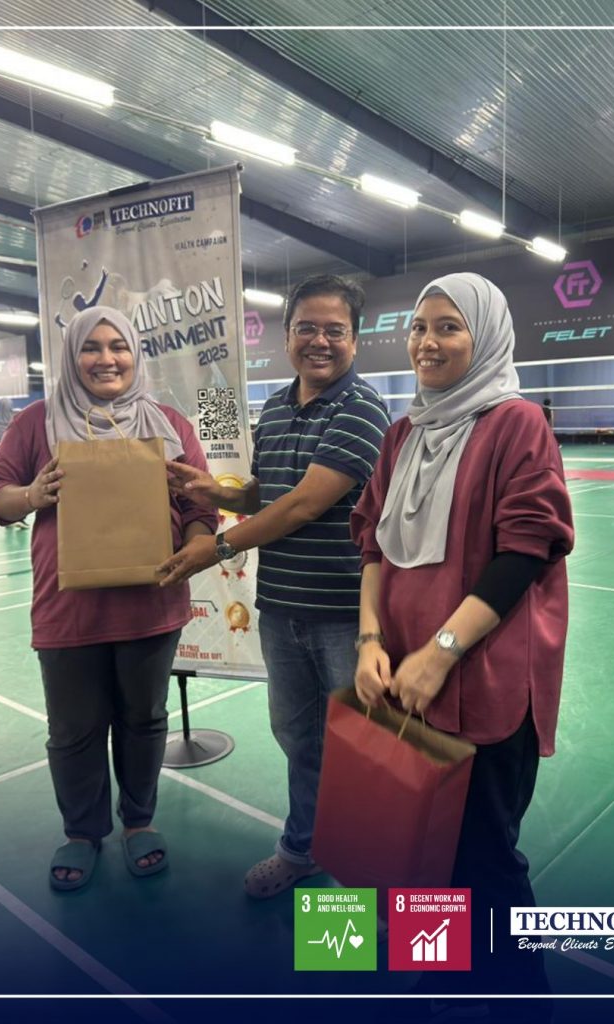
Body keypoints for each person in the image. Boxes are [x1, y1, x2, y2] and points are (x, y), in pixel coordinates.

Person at [350, 273, 574, 1007]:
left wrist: (440, 653)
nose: (427, 342)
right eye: (418, 327)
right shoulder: (402, 434)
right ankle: (443, 977)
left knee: (485, 858)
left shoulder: (516, 424)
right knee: (424, 847)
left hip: (480, 679)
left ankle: (519, 997)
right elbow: (373, 544)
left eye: (448, 326)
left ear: (485, 336)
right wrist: (370, 640)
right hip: (404, 674)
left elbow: (526, 550)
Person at [156, 274, 391, 898]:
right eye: (306, 328)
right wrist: (217, 492)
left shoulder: (362, 408)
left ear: (355, 340)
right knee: (299, 738)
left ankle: (369, 866)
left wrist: (217, 545)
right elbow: (271, 493)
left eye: (335, 330)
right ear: (287, 336)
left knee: (362, 747)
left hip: (345, 614)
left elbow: (306, 504)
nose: (320, 341)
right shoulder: (279, 406)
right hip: (282, 609)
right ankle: (304, 848)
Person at [0, 306, 217, 891]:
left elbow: (200, 505)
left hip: (152, 605)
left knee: (144, 719)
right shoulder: (38, 422)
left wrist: (196, 543)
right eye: (91, 347)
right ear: (72, 356)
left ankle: (139, 821)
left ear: (136, 354)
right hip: (68, 610)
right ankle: (82, 832)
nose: (106, 358)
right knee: (73, 729)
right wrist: (32, 494)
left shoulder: (168, 424)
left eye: (118, 346)